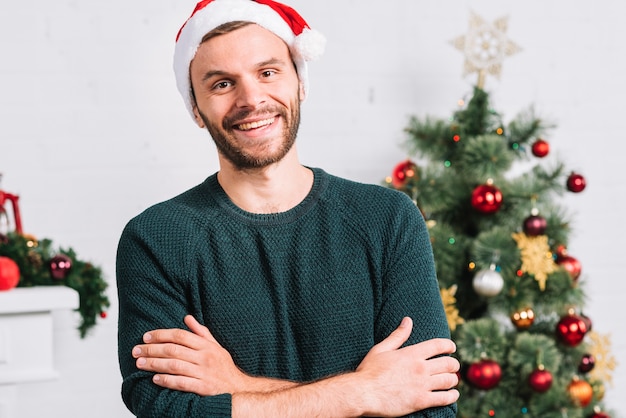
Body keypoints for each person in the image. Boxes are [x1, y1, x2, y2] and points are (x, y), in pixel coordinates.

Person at [116, 0, 460, 416]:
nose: (251, 98)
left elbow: (430, 407)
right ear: (196, 110)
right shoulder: (157, 238)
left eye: (267, 72)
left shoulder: (387, 219)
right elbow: (162, 408)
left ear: (300, 82)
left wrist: (237, 387)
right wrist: (364, 393)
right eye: (222, 84)